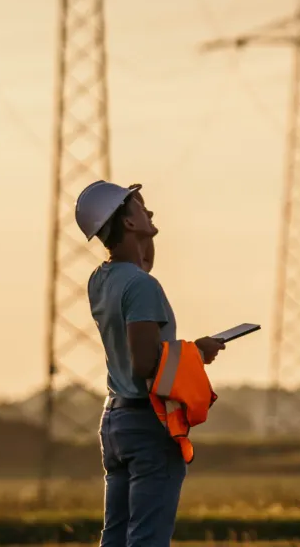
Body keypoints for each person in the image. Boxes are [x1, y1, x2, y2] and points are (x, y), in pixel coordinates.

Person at [75, 180, 225, 547]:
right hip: (147, 423)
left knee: (116, 538)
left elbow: (139, 263)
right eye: (140, 207)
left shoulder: (102, 280)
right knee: (147, 540)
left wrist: (144, 237)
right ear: (127, 223)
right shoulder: (143, 287)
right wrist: (197, 352)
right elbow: (146, 362)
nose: (150, 212)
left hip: (116, 422)